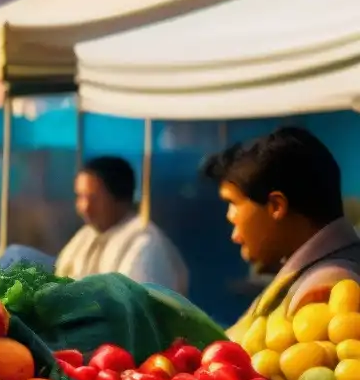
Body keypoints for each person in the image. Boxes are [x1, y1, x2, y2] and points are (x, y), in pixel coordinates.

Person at [206, 126, 360, 321]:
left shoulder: (325, 288)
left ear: (276, 206)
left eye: (233, 203)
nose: (234, 236)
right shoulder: (328, 269)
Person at [52, 155, 188, 292]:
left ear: (120, 198)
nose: (84, 207)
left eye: (94, 198)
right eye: (80, 196)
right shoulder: (86, 236)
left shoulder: (144, 243)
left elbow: (135, 306)